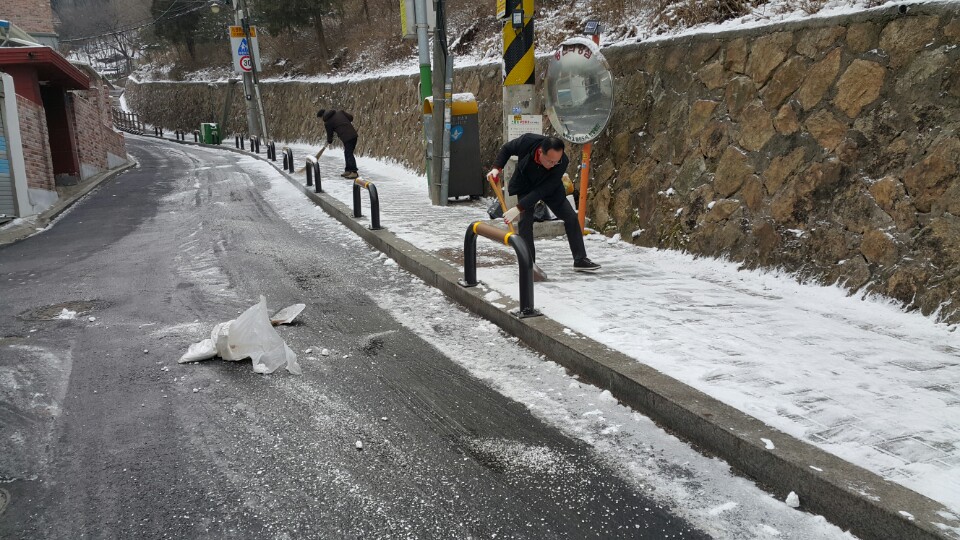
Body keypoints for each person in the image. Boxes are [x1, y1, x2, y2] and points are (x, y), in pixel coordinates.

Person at [488, 134, 601, 272]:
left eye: (556, 162)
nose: (553, 165)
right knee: (526, 222)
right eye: (550, 161)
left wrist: (518, 208)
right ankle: (529, 264)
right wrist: (496, 168)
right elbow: (507, 149)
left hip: (549, 188)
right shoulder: (527, 142)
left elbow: (543, 190)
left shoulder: (562, 161)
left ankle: (580, 259)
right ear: (540, 152)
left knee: (571, 217)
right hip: (526, 184)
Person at [317, 109, 359, 179]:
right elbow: (351, 118)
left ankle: (354, 172)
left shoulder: (328, 122)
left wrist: (329, 141)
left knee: (349, 153)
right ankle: (348, 171)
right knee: (347, 153)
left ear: (322, 116)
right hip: (353, 135)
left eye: (320, 118)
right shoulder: (340, 112)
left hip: (347, 137)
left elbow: (330, 134)